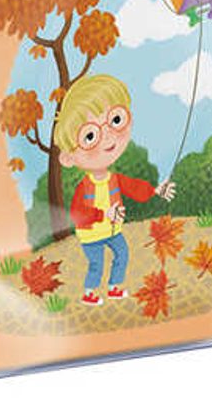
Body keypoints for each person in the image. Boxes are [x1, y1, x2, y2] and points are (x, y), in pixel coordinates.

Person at [55, 75, 176, 306]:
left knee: (122, 254)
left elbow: (135, 188)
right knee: (96, 264)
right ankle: (90, 292)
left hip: (113, 231)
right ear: (69, 158)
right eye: (90, 136)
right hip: (91, 235)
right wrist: (104, 214)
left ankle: (114, 287)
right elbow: (78, 214)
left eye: (115, 120)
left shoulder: (114, 178)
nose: (109, 137)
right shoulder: (85, 186)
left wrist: (156, 190)